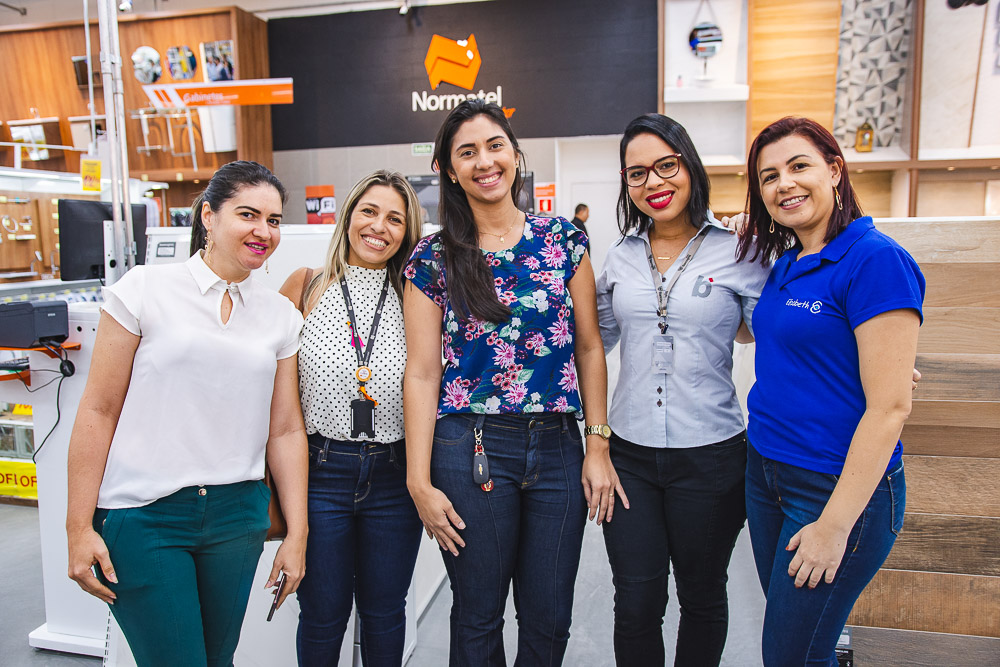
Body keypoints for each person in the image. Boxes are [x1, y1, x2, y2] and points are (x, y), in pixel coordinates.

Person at [402, 99, 621, 666]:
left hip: (557, 447)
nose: (484, 162)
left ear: (516, 155)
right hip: (470, 449)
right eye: (467, 152)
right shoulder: (434, 256)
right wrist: (418, 480)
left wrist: (597, 444)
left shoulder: (564, 240)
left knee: (550, 619)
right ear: (450, 170)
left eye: (494, 146)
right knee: (478, 616)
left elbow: (589, 347)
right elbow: (421, 373)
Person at [65, 161, 309, 667]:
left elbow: (285, 430)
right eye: (248, 214)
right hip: (145, 514)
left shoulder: (279, 315)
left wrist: (298, 534)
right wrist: (77, 527)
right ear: (208, 217)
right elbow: (98, 410)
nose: (263, 231)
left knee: (217, 661)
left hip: (238, 517)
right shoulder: (143, 289)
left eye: (273, 220)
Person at [737, 117, 923, 666]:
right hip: (766, 470)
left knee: (791, 655)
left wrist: (835, 525)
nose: (784, 184)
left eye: (799, 166)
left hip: (832, 489)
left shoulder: (875, 258)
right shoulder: (787, 262)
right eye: (769, 176)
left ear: (835, 170)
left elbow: (890, 408)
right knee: (800, 644)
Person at [596, 113, 770, 667]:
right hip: (629, 458)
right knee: (636, 602)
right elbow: (588, 342)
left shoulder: (740, 249)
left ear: (689, 166)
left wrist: (861, 363)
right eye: (637, 173)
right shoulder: (620, 256)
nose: (654, 182)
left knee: (702, 595)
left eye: (666, 165)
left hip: (712, 456)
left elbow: (781, 333)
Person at [279, 170, 423, 666]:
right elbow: (273, 393)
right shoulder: (305, 286)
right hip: (320, 472)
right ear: (348, 216)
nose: (379, 227)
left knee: (385, 613)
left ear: (407, 232)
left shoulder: (416, 296)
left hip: (395, 476)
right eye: (369, 211)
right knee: (322, 614)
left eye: (395, 219)